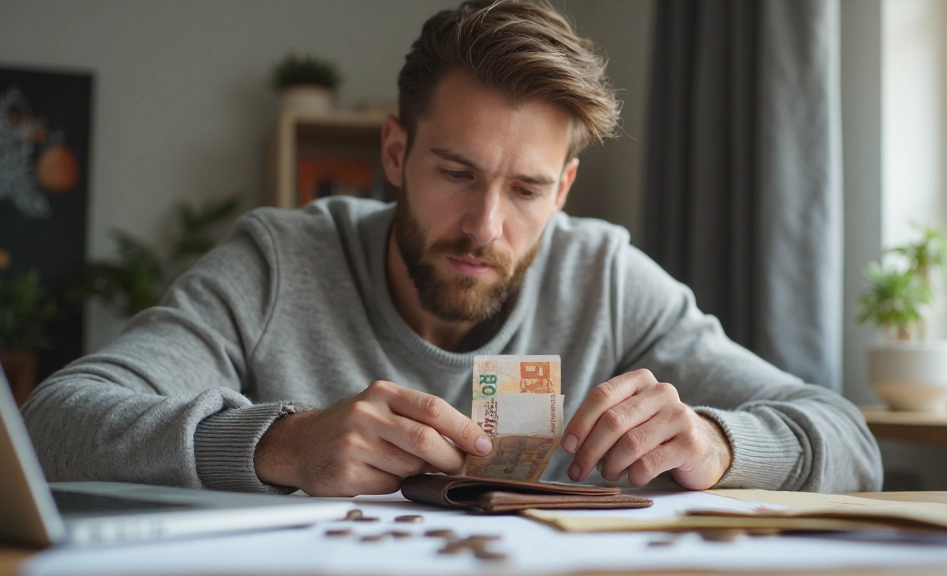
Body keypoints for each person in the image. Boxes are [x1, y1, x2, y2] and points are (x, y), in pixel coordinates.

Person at [23, 0, 882, 497]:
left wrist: (721, 444)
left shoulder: (608, 278)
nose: (486, 227)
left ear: (565, 192)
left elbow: (851, 443)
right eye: (456, 172)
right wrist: (280, 444)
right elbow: (55, 424)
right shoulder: (280, 263)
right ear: (395, 153)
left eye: (526, 189)